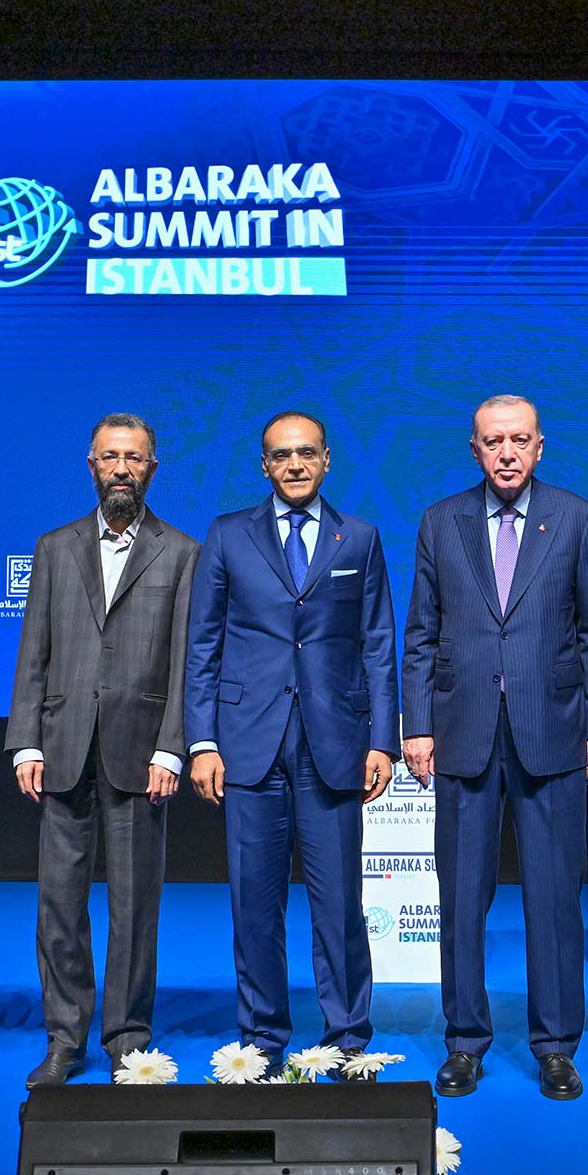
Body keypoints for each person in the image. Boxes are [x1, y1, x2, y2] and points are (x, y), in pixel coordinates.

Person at [402, 394, 588, 1101]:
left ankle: (555, 1045)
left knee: (555, 898)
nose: (506, 452)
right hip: (462, 733)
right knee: (462, 897)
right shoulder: (441, 521)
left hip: (552, 731)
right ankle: (465, 1040)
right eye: (493, 441)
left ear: (540, 446)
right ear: (475, 450)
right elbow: (420, 634)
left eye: (519, 440)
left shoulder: (575, 517)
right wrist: (416, 725)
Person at [184, 411, 399, 1061]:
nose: (295, 464)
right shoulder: (227, 535)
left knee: (340, 906)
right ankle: (261, 1039)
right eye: (282, 455)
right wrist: (202, 742)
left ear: (327, 459)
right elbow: (202, 645)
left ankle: (349, 1039)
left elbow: (378, 645)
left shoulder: (359, 538)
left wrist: (382, 741)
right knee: (254, 905)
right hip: (247, 745)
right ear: (264, 466)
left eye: (307, 452)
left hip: (335, 746)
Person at [8, 414, 200, 1089]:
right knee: (58, 906)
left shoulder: (183, 552)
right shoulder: (53, 547)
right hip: (61, 748)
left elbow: (187, 662)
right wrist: (24, 740)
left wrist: (172, 748)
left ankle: (127, 1040)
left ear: (153, 468)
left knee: (134, 908)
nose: (122, 469)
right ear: (91, 464)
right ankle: (65, 1038)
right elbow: (33, 651)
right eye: (111, 457)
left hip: (141, 756)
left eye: (135, 458)